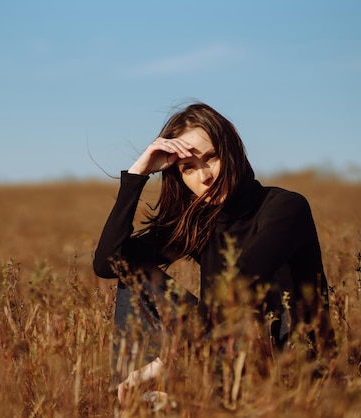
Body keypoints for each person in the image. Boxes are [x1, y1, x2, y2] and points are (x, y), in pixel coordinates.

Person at [92, 102, 335, 404]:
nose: (204, 177)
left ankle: (175, 394)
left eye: (212, 158)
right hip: (217, 357)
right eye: (188, 168)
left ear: (233, 152)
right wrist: (137, 174)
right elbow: (109, 263)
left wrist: (167, 361)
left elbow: (239, 288)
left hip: (288, 368)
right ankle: (146, 399)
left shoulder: (285, 207)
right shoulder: (199, 222)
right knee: (133, 275)